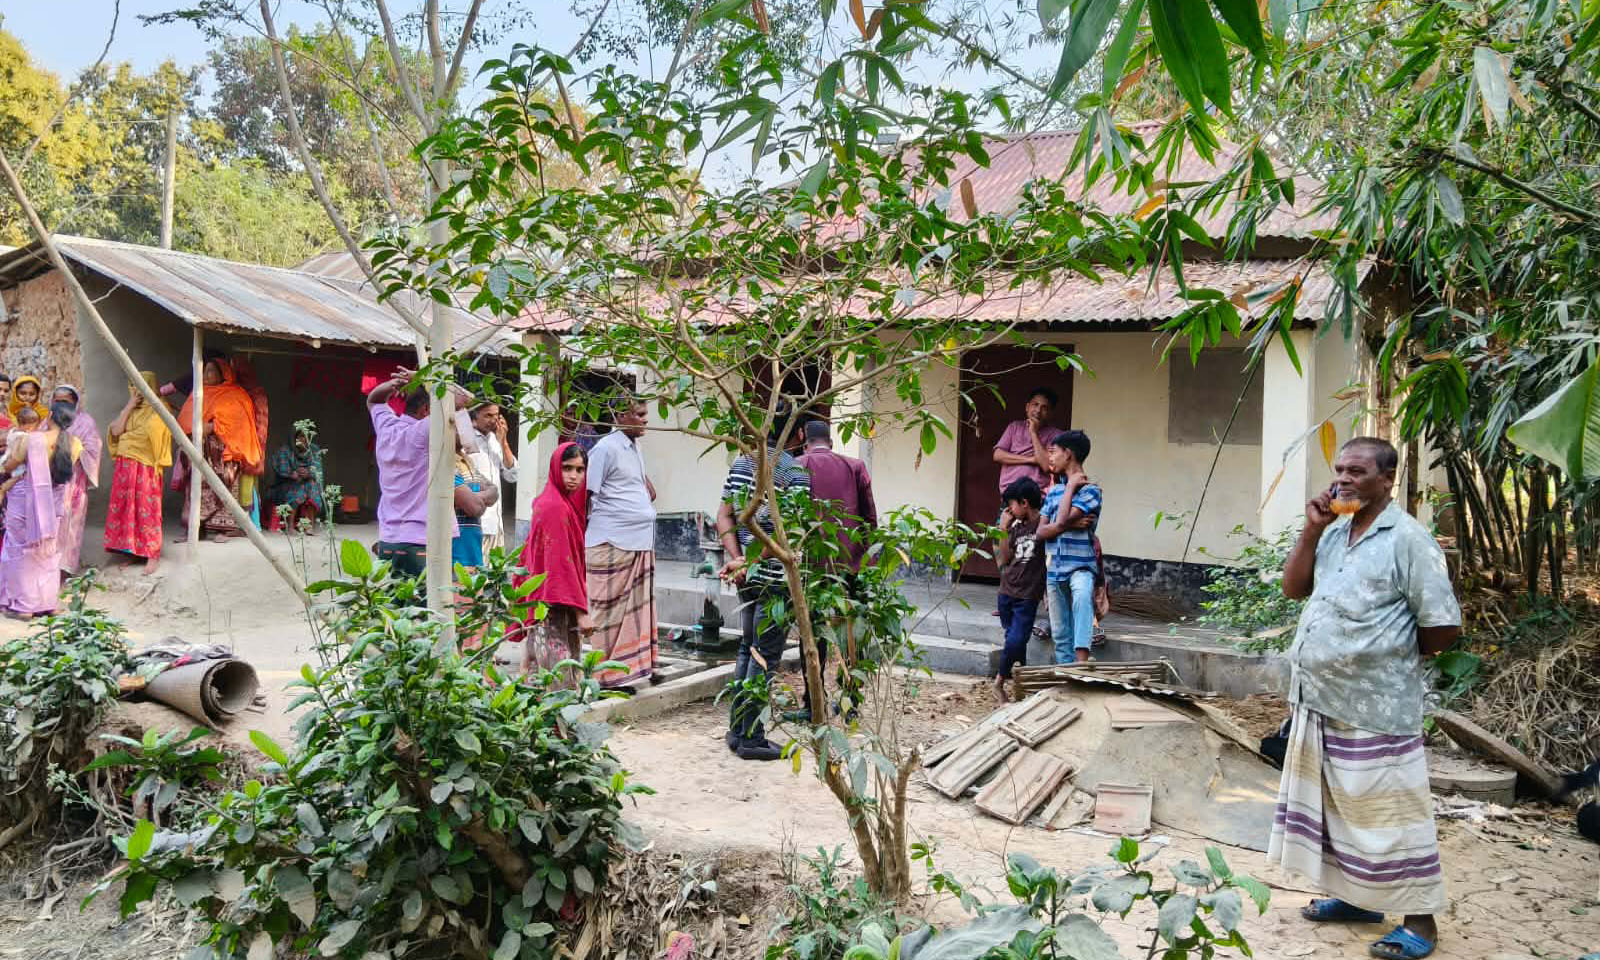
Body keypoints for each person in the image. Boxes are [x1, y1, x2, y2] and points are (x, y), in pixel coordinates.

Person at [1271, 438, 1460, 960]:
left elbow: (1442, 628)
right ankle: (1358, 899)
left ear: (1387, 479)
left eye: (1356, 471)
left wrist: (1383, 656)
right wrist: (1311, 530)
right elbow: (1294, 589)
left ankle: (1421, 923)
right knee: (1340, 809)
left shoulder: (1409, 540)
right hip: (1320, 698)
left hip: (1376, 707)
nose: (1343, 479)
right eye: (1339, 469)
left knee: (1392, 817)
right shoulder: (1335, 531)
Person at [716, 404, 811, 761]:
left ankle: (737, 731)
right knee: (764, 654)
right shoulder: (794, 471)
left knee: (747, 648)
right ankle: (751, 738)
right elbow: (789, 536)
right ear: (797, 434)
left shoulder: (741, 464)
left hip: (745, 575)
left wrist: (738, 558)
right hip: (774, 578)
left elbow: (723, 516)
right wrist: (750, 561)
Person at [794, 416, 876, 719]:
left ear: (802, 437)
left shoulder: (797, 465)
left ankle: (813, 700)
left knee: (811, 633)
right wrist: (866, 558)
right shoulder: (855, 466)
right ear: (830, 440)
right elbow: (870, 518)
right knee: (850, 631)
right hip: (850, 562)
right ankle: (851, 701)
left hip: (811, 565)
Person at [584, 399, 659, 686]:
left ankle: (626, 673)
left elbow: (640, 486)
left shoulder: (635, 447)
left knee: (634, 613)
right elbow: (587, 495)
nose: (645, 419)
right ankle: (603, 676)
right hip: (610, 541)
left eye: (645, 414)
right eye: (639, 414)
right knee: (606, 614)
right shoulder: (605, 448)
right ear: (620, 416)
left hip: (638, 541)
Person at [366, 367, 468, 578]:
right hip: (421, 540)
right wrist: (425, 377)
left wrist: (393, 384)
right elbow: (463, 399)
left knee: (397, 599)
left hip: (389, 540)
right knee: (432, 599)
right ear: (426, 410)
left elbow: (374, 401)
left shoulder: (387, 429)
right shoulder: (423, 431)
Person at [519, 442, 594, 681]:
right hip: (553, 601)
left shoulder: (558, 502)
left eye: (580, 470)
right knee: (557, 677)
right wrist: (581, 612)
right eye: (567, 468)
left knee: (542, 669)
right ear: (555, 469)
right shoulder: (555, 507)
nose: (573, 476)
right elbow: (561, 563)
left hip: (548, 598)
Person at [0, 401, 81, 618]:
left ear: (50, 415)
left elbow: (9, 466)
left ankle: (23, 606)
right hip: (53, 504)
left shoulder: (32, 439)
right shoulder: (75, 444)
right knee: (46, 549)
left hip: (24, 501)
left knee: (19, 548)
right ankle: (47, 603)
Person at [178, 359, 263, 541]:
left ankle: (223, 530)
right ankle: (195, 529)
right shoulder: (197, 394)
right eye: (204, 371)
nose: (206, 375)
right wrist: (196, 429)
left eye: (210, 371)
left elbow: (239, 424)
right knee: (195, 488)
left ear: (222, 373)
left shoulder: (235, 395)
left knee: (224, 486)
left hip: (226, 454)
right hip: (200, 453)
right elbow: (185, 421)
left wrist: (213, 427)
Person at [1036, 431, 1100, 664]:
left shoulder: (1091, 491)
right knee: (1060, 629)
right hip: (1054, 568)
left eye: (1054, 452)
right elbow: (1040, 532)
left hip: (1080, 565)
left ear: (1068, 454)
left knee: (1082, 598)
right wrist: (1069, 523)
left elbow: (1059, 521)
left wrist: (1071, 487)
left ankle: (1081, 662)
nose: (1050, 457)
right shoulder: (1053, 492)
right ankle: (1066, 671)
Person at [104, 372, 172, 573]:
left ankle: (152, 554)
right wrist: (129, 406)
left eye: (141, 385)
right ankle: (133, 551)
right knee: (127, 509)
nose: (136, 389)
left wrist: (127, 438)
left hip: (146, 466)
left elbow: (150, 435)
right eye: (133, 385)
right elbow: (116, 431)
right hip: (125, 467)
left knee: (146, 509)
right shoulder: (132, 409)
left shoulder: (160, 408)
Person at [993, 477, 1047, 701]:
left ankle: (999, 682)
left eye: (1011, 505)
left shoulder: (1044, 524)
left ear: (1024, 503)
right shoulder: (1016, 527)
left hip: (1027, 596)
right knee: (1015, 640)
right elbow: (1005, 558)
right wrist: (1003, 528)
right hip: (1006, 592)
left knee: (1016, 640)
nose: (1009, 510)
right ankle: (1020, 685)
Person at [51, 385, 103, 574]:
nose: (61, 404)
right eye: (57, 401)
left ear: (75, 402)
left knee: (70, 523)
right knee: (52, 523)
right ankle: (49, 568)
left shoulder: (85, 422)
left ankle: (65, 569)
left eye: (66, 401)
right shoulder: (48, 420)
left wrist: (74, 448)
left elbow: (94, 448)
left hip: (74, 482)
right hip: (51, 481)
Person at [991, 387, 1064, 495]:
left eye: (1044, 408)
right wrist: (1032, 459)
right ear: (1027, 407)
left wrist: (1033, 432)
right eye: (1035, 404)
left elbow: (1046, 465)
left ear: (1050, 413)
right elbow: (997, 455)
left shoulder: (1056, 435)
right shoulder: (1014, 427)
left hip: (1036, 494)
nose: (1038, 410)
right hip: (1009, 492)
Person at [467, 402, 518, 554]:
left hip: (496, 523)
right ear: (475, 416)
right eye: (488, 415)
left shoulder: (496, 440)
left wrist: (504, 442)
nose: (493, 420)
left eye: (496, 415)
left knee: (496, 568)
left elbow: (512, 475)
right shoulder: (465, 440)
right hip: (475, 523)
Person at [451, 436, 497, 571]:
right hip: (456, 548)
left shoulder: (467, 460)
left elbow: (494, 491)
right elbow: (475, 508)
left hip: (472, 547)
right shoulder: (446, 462)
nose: (466, 431)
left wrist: (473, 497)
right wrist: (477, 500)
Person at [268, 423, 325, 529]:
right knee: (300, 487)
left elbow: (318, 470)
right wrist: (293, 473)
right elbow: (282, 471)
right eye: (301, 436)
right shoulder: (285, 451)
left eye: (307, 436)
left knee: (312, 485)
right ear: (294, 438)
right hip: (284, 487)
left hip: (307, 484)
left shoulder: (314, 450)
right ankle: (290, 525)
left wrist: (308, 473)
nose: (304, 439)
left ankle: (309, 525)